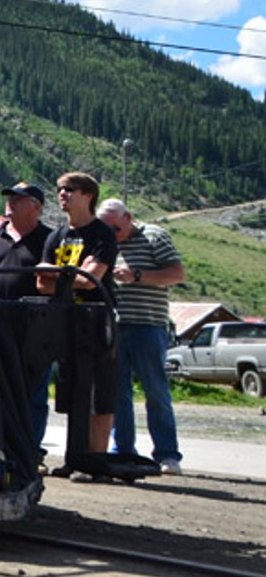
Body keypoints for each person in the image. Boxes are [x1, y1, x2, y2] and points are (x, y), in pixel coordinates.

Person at [0, 181, 54, 448]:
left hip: (32, 327)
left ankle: (30, 449)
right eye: (9, 197)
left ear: (35, 207)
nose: (10, 202)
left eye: (18, 198)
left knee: (32, 391)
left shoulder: (49, 240)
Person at [100, 198, 186, 473]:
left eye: (116, 228)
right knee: (118, 392)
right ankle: (123, 450)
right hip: (115, 325)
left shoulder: (154, 236)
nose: (113, 234)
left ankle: (167, 454)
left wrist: (136, 275)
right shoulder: (105, 241)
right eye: (107, 229)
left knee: (156, 390)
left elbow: (177, 274)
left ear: (128, 218)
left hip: (148, 324)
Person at [36, 171, 118, 456]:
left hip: (96, 320)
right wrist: (70, 276)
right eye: (60, 189)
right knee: (71, 390)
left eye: (70, 189)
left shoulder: (102, 234)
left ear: (88, 196)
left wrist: (56, 274)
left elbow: (90, 280)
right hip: (65, 320)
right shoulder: (56, 236)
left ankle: (96, 458)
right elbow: (41, 284)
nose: (62, 194)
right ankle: (75, 455)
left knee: (98, 391)